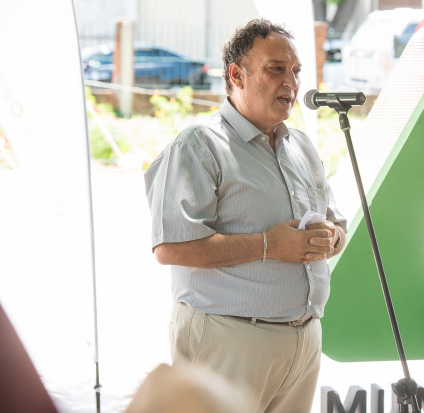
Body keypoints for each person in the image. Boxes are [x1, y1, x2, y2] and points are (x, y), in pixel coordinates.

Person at [144, 18, 347, 413]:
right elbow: (170, 246)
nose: (290, 82)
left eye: (296, 71)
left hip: (303, 342)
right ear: (236, 75)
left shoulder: (301, 146)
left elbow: (336, 223)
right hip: (228, 340)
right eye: (276, 69)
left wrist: (331, 238)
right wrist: (270, 245)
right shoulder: (199, 146)